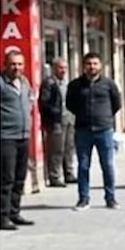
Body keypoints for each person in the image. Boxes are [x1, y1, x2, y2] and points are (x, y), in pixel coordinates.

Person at [66, 52, 122, 210]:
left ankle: (110, 198)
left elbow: (117, 104)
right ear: (83, 66)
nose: (92, 67)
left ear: (100, 66)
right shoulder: (75, 85)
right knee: (83, 165)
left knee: (108, 165)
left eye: (95, 63)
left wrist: (104, 116)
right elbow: (70, 104)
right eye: (89, 64)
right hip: (83, 130)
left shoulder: (109, 84)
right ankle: (83, 199)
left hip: (104, 129)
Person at [0, 50, 36, 230]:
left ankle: (14, 212)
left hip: (23, 136)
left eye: (20, 64)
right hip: (5, 137)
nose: (17, 67)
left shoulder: (24, 82)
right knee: (6, 178)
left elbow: (30, 103)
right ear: (5, 64)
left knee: (19, 178)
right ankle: (2, 216)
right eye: (13, 64)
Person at [39, 58, 76, 187]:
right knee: (56, 149)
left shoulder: (66, 83)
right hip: (56, 121)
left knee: (69, 147)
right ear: (54, 68)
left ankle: (69, 173)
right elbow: (44, 102)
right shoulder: (49, 83)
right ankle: (54, 176)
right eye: (60, 68)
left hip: (69, 118)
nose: (63, 70)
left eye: (65, 68)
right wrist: (54, 114)